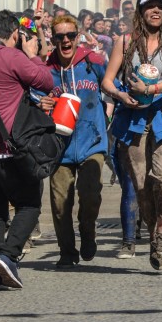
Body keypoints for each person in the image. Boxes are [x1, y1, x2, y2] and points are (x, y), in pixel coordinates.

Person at [101, 0, 162, 270]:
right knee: (140, 184)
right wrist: (122, 96)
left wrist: (150, 89)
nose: (156, 11)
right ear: (140, 12)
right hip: (133, 116)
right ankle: (155, 234)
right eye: (150, 6)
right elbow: (107, 81)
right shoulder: (125, 42)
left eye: (160, 7)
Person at [0, 9, 54, 290]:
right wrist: (31, 53)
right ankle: (8, 257)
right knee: (30, 204)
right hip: (8, 149)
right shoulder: (11, 56)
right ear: (13, 35)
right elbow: (46, 81)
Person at [37, 15, 108, 268]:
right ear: (53, 39)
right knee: (59, 203)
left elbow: (111, 85)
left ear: (77, 36)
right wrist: (41, 102)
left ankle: (88, 231)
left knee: (90, 195)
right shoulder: (46, 69)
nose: (65, 40)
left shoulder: (94, 62)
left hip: (92, 142)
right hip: (59, 147)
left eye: (70, 35)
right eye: (59, 37)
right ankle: (67, 252)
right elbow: (34, 97)